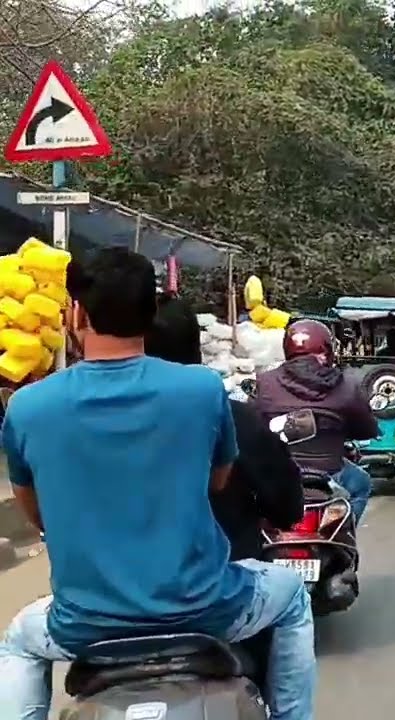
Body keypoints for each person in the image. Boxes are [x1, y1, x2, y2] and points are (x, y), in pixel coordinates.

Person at [0, 248, 315, 720]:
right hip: (209, 607)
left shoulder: (27, 406)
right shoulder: (202, 390)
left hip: (85, 622)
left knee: (20, 644)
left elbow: (37, 512)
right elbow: (218, 480)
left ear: (76, 313)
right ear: (151, 312)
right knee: (291, 596)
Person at [145, 293, 304, 560]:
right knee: (291, 592)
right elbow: (285, 507)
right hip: (218, 577)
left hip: (111, 584)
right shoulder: (232, 417)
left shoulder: (83, 417)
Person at [256, 320, 379, 523]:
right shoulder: (347, 385)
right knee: (361, 483)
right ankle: (344, 530)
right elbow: (366, 428)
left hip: (279, 471)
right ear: (327, 350)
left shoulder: (265, 382)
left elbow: (252, 421)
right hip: (331, 471)